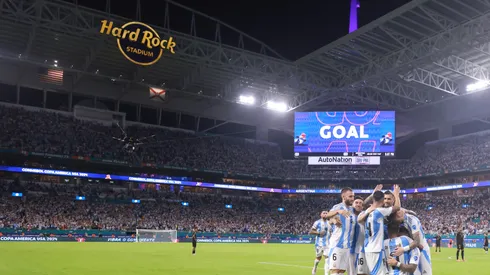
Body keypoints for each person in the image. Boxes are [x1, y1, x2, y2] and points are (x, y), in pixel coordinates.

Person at [358, 185, 400, 275]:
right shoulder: (379, 211)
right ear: (382, 200)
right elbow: (397, 208)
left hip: (369, 247)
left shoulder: (367, 212)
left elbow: (359, 219)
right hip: (375, 249)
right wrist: (396, 194)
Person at [326, 187, 356, 275]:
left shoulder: (351, 209)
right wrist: (338, 212)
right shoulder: (338, 207)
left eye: (353, 196)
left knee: (342, 272)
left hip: (347, 246)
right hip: (337, 244)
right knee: (334, 271)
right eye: (350, 196)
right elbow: (327, 215)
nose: (352, 199)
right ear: (343, 196)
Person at [392, 209, 432, 275]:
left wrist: (403, 249)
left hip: (423, 251)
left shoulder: (411, 220)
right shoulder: (402, 221)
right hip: (413, 249)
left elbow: (417, 241)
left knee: (426, 273)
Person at [310, 211, 332, 275]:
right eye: (324, 213)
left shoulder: (330, 223)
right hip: (319, 244)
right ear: (320, 215)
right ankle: (315, 267)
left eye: (326, 213)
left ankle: (326, 273)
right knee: (318, 258)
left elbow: (332, 232)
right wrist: (318, 233)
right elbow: (311, 231)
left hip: (328, 244)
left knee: (327, 258)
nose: (325, 214)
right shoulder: (317, 222)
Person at [350, 196, 367, 275]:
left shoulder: (365, 214)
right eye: (356, 202)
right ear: (352, 204)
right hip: (349, 250)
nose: (358, 204)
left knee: (362, 272)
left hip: (361, 250)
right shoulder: (348, 215)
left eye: (360, 203)